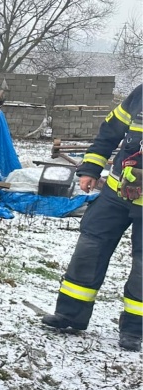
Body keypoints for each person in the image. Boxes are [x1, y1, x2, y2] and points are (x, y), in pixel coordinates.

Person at [40, 84, 142, 352]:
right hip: (116, 194)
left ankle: (134, 330)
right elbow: (109, 133)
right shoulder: (140, 95)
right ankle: (70, 314)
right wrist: (91, 169)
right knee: (89, 250)